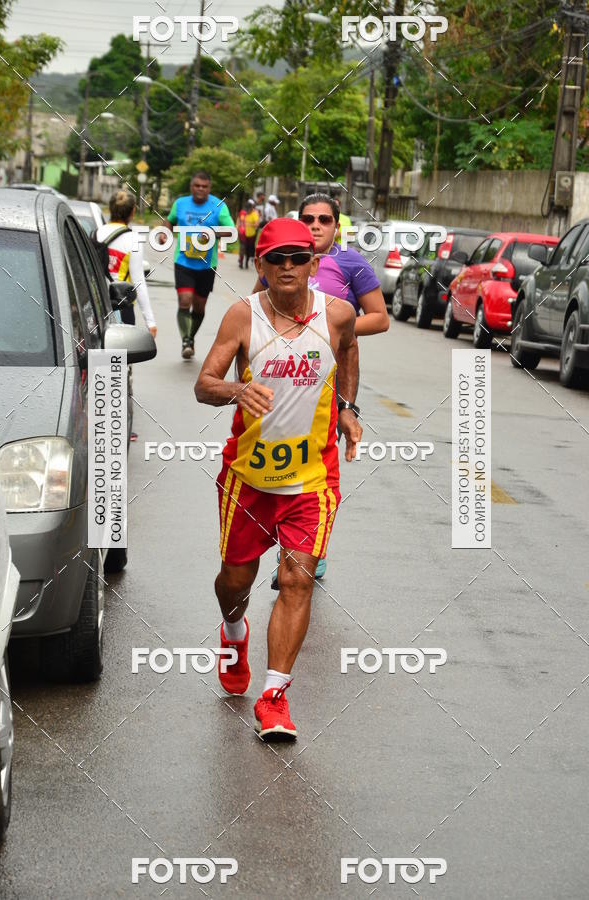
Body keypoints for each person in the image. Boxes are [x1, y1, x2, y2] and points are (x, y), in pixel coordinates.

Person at [194, 218, 362, 739]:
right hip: (248, 478)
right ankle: (233, 629)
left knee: (296, 579)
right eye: (276, 258)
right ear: (260, 265)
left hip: (312, 478)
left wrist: (348, 408)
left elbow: (350, 351)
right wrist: (235, 392)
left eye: (297, 257)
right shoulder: (242, 318)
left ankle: (273, 696)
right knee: (236, 583)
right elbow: (205, 383)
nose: (287, 266)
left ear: (313, 262)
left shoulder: (337, 314)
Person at [253, 193, 389, 585]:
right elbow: (253, 309)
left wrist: (327, 330)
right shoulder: (280, 258)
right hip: (278, 376)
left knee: (316, 465)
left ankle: (310, 548)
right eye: (308, 218)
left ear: (336, 225)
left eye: (324, 220)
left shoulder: (350, 263)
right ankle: (285, 540)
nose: (315, 226)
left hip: (326, 378)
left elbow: (379, 318)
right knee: (277, 456)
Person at [160, 170, 234, 359]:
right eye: (197, 186)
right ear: (191, 187)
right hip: (183, 261)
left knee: (199, 306)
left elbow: (231, 231)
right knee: (185, 300)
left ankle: (190, 337)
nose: (200, 189)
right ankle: (186, 340)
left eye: (204, 186)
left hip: (207, 265)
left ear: (209, 188)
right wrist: (164, 233)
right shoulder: (181, 204)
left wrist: (211, 233)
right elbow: (169, 221)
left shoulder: (218, 206)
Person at [95, 190, 157, 336]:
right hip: (122, 307)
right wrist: (150, 322)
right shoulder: (133, 239)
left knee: (98, 354)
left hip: (96, 305)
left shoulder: (95, 233)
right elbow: (138, 281)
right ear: (133, 211)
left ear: (110, 208)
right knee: (121, 356)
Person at [243, 199, 259, 267]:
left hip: (252, 234)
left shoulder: (254, 214)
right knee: (246, 248)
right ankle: (246, 261)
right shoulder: (245, 214)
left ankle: (251, 258)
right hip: (245, 234)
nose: (247, 211)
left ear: (251, 208)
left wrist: (250, 225)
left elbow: (257, 224)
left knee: (251, 247)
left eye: (248, 209)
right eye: (246, 209)